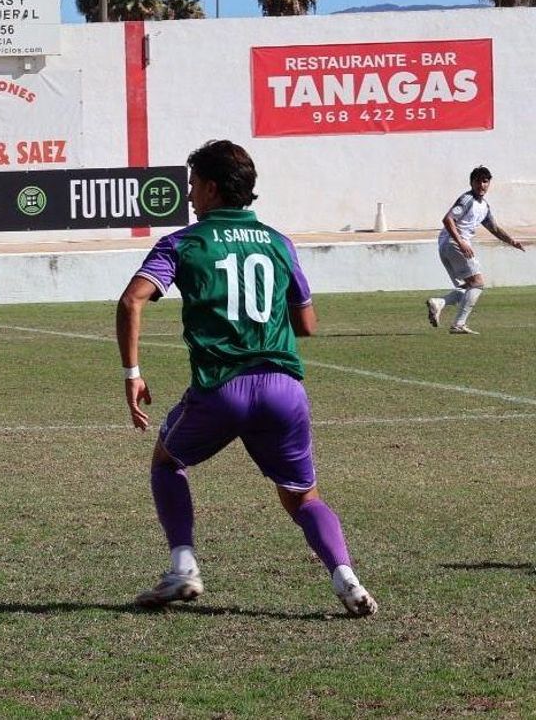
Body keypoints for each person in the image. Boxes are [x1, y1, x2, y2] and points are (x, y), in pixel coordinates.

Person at [116, 140, 378, 617]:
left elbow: (132, 300)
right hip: (283, 389)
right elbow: (307, 325)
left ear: (212, 188)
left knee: (167, 463)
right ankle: (347, 578)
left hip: (222, 388)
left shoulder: (183, 243)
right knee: (302, 498)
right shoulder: (279, 242)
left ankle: (184, 567)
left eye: (194, 185)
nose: (190, 196)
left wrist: (132, 373)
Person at [426, 166, 526, 335]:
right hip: (454, 243)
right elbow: (448, 219)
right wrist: (461, 242)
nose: (481, 184)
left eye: (485, 181)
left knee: (467, 288)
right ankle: (458, 325)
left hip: (447, 245)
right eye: (478, 181)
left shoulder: (484, 206)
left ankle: (439, 302)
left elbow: (493, 227)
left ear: (489, 183)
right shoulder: (467, 200)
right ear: (471, 183)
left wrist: (511, 241)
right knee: (478, 283)